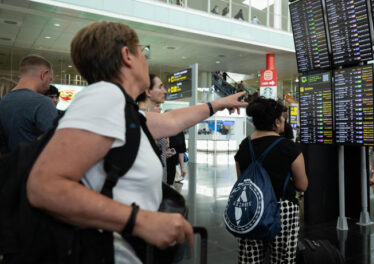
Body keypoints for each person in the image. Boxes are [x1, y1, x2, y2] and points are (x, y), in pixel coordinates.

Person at [27, 21, 247, 263]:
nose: (146, 59)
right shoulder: (104, 97)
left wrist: (218, 104)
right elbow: (44, 186)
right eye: (143, 51)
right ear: (127, 56)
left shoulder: (122, 109)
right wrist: (139, 220)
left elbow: (172, 121)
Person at [234, 97, 308, 263]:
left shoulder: (244, 146)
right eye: (283, 118)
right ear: (276, 122)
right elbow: (302, 185)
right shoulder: (289, 148)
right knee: (282, 258)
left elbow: (241, 180)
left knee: (249, 258)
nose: (284, 120)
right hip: (282, 209)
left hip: (250, 208)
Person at [0, 55, 57, 153]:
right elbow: (56, 143)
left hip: (7, 165)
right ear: (44, 74)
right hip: (32, 166)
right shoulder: (42, 102)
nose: (48, 86)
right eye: (50, 79)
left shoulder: (4, 100)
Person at [136, 73, 168, 183]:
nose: (165, 91)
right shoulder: (140, 118)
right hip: (146, 182)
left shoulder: (147, 117)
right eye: (160, 87)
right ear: (148, 92)